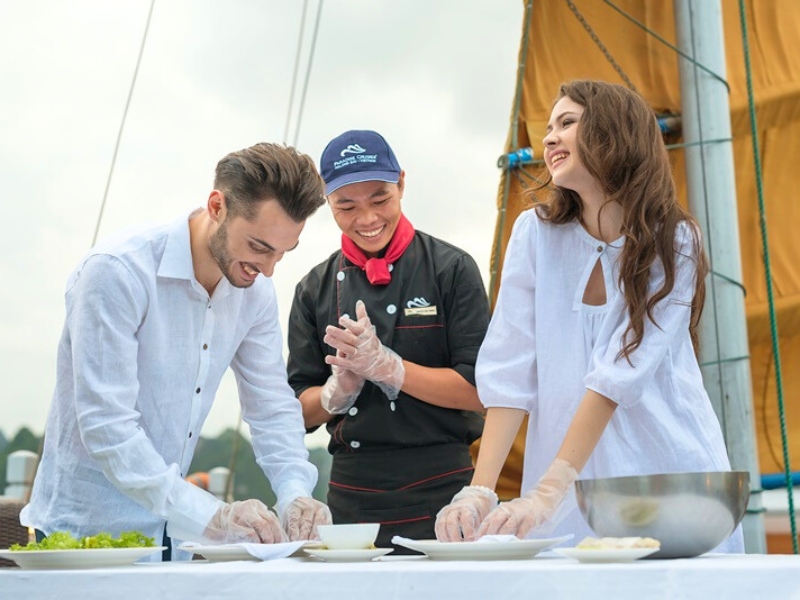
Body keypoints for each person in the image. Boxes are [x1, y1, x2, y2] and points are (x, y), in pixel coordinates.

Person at [435, 80, 744, 552]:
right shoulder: (533, 234)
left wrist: (545, 493)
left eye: (567, 123)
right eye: (548, 128)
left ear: (614, 132)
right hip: (560, 486)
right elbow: (510, 367)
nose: (549, 138)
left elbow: (618, 373)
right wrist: (480, 488)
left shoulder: (675, 240)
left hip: (662, 472)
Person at [21, 142, 332, 561]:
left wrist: (295, 491)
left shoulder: (255, 292)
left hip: (179, 536)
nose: (269, 268)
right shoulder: (116, 272)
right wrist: (213, 514)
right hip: (86, 534)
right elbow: (107, 426)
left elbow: (273, 408)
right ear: (217, 206)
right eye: (259, 247)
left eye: (282, 252)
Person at [287, 130, 490, 550]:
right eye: (346, 206)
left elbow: (482, 393)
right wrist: (335, 392)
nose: (366, 219)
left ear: (401, 183)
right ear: (327, 201)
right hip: (351, 497)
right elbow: (294, 415)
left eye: (380, 199)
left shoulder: (451, 269)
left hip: (445, 492)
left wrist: (390, 368)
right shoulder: (313, 288)